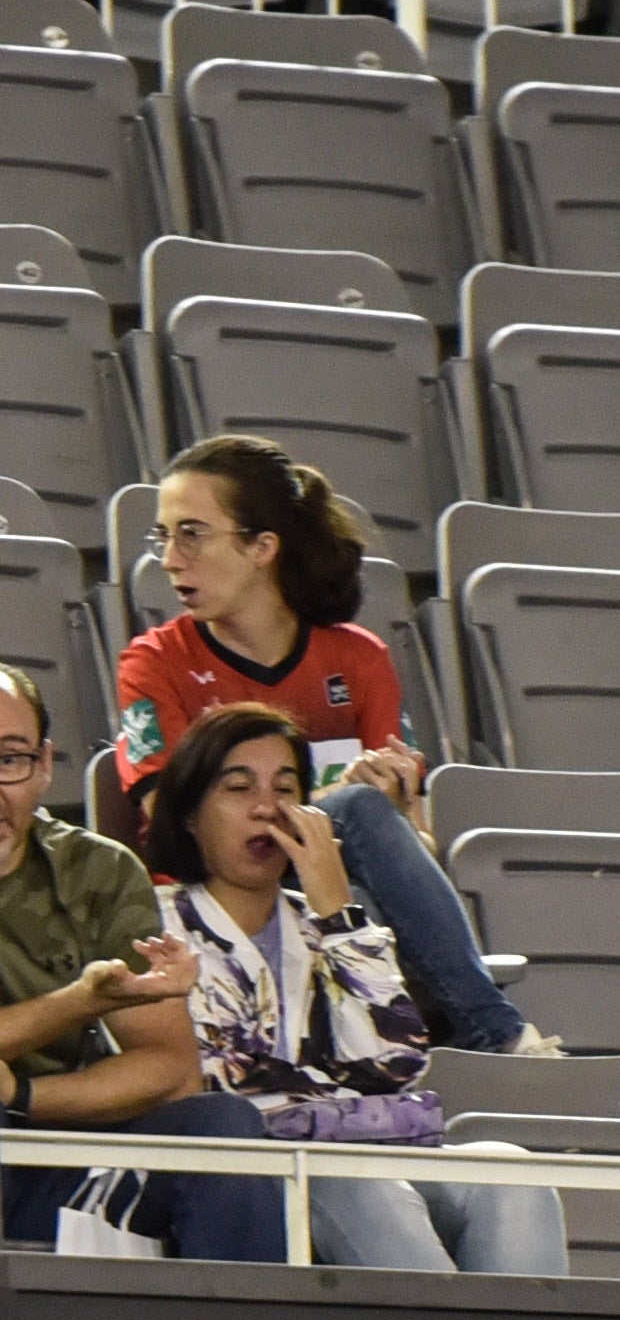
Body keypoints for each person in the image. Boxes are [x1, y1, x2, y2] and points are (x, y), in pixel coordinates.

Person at [0, 658, 289, 1260]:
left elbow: (169, 1070)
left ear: (44, 767)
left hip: (61, 1149)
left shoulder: (101, 869)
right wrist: (78, 1003)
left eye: (10, 760)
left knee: (224, 1127)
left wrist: (20, 1091)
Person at [114, 433, 555, 1056]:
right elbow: (169, 820)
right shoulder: (155, 660)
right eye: (163, 537)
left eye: (192, 533)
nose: (170, 558)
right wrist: (333, 803)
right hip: (212, 898)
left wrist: (398, 805)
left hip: (333, 898)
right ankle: (497, 1035)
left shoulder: (358, 657)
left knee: (363, 842)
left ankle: (412, 1056)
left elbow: (417, 849)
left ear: (262, 546)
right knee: (351, 815)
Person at [146, 703, 567, 1275]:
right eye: (239, 788)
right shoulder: (160, 925)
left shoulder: (330, 921)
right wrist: (333, 1082)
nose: (267, 808)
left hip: (370, 1153)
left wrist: (336, 912)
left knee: (514, 1174)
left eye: (286, 787)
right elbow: (219, 1080)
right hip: (263, 1171)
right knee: (368, 1188)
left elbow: (394, 1063)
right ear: (191, 815)